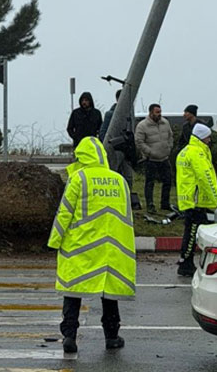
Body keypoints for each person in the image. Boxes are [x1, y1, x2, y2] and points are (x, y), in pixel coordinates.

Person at [48, 136, 136, 353]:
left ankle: (70, 336)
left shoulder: (79, 178)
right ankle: (112, 336)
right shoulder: (119, 180)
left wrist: (54, 242)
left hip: (81, 246)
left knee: (73, 291)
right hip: (112, 248)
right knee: (109, 294)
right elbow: (128, 217)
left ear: (82, 157)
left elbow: (65, 213)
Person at [175, 123, 217, 277]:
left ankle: (186, 261)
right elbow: (205, 177)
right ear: (202, 137)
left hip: (188, 198)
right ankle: (186, 264)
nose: (209, 140)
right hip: (196, 200)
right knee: (193, 233)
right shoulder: (197, 154)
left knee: (191, 231)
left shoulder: (185, 151)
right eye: (208, 137)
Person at [135, 103, 177, 218]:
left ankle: (165, 203)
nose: (159, 114)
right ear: (150, 113)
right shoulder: (142, 126)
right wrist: (149, 152)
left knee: (167, 181)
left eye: (160, 112)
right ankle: (150, 204)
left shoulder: (165, 123)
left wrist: (169, 147)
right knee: (150, 182)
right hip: (151, 159)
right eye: (157, 112)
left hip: (164, 158)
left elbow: (170, 136)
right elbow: (139, 142)